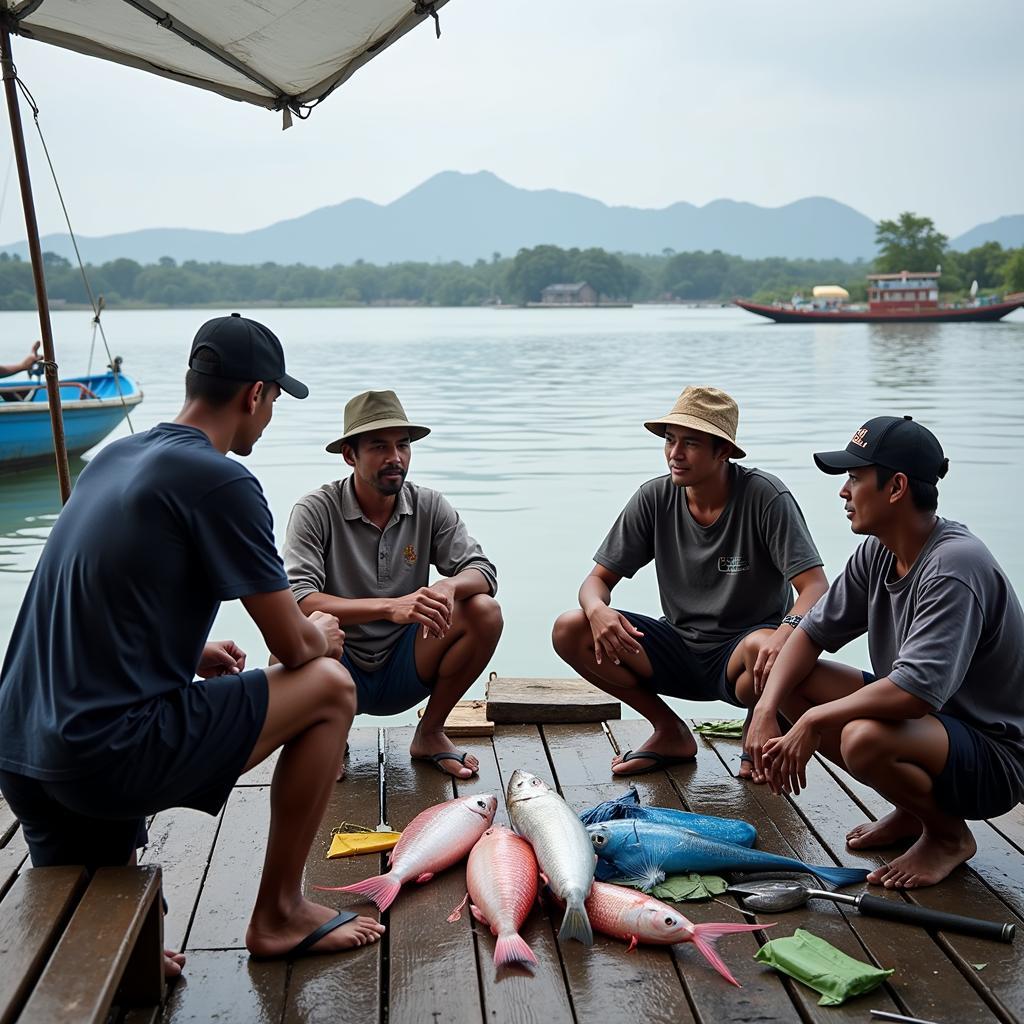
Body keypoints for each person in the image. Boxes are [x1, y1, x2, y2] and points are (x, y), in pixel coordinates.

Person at [0, 314, 384, 974]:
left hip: (23, 751)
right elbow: (293, 649)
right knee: (329, 688)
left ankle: (121, 952)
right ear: (254, 395)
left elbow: (91, 599)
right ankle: (279, 914)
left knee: (112, 929)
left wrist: (188, 653)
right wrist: (319, 634)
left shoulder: (118, 456)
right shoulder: (222, 481)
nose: (267, 419)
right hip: (103, 760)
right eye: (272, 403)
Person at [748, 415, 1024, 888]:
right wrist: (767, 711)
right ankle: (912, 810)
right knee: (791, 680)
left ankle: (947, 837)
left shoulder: (955, 565)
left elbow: (914, 695)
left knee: (861, 738)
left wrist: (814, 722)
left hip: (994, 756)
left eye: (855, 478)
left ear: (896, 487)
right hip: (933, 730)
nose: (843, 491)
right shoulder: (880, 551)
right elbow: (809, 636)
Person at [551, 385, 827, 777]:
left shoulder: (765, 496)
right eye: (670, 440)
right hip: (677, 645)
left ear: (723, 451)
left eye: (691, 443)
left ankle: (763, 720)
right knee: (570, 627)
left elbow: (815, 588)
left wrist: (786, 631)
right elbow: (596, 581)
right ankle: (669, 730)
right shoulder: (654, 497)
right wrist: (597, 609)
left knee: (771, 644)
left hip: (744, 660)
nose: (675, 454)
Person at [283, 389, 502, 780]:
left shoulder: (429, 504)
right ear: (350, 455)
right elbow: (300, 600)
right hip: (338, 663)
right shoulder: (315, 509)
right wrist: (388, 606)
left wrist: (448, 587)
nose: (395, 458)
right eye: (379, 447)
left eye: (403, 445)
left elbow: (482, 571)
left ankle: (431, 732)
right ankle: (329, 740)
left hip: (407, 665)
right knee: (292, 643)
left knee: (483, 610)